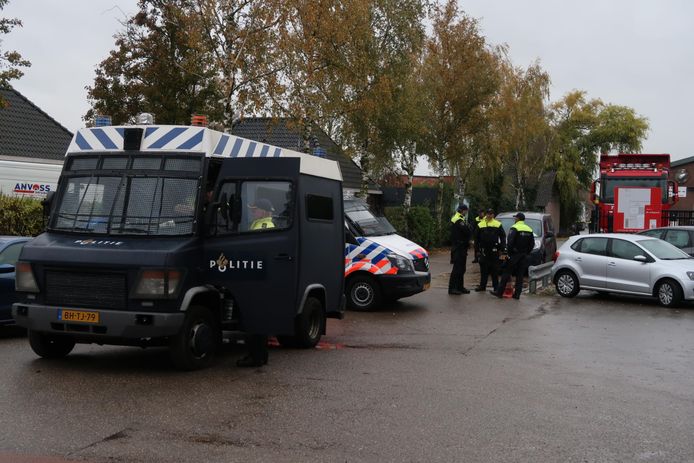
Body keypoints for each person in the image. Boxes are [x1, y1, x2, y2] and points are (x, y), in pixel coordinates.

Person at [490, 212, 534, 300]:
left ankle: (499, 292)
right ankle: (517, 295)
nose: (514, 219)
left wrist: (508, 254)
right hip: (523, 255)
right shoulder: (529, 229)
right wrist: (526, 253)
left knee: (506, 273)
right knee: (520, 275)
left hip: (514, 255)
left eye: (515, 218)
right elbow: (532, 244)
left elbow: (510, 242)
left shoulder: (514, 228)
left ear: (518, 219)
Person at [474, 208, 505, 292]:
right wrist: (477, 251)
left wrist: (502, 248)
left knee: (494, 269)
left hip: (494, 250)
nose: (489, 215)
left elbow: (503, 236)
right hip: (484, 250)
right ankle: (482, 286)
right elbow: (476, 238)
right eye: (488, 214)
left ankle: (496, 287)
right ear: (486, 215)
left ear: (493, 215)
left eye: (491, 214)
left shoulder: (498, 224)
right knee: (483, 269)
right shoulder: (480, 224)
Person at [448, 203, 471, 295]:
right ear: (462, 210)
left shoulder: (461, 219)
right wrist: (468, 228)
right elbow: (466, 231)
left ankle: (460, 287)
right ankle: (452, 288)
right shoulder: (457, 219)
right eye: (465, 210)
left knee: (462, 268)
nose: (466, 212)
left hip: (462, 247)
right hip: (458, 247)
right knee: (457, 268)